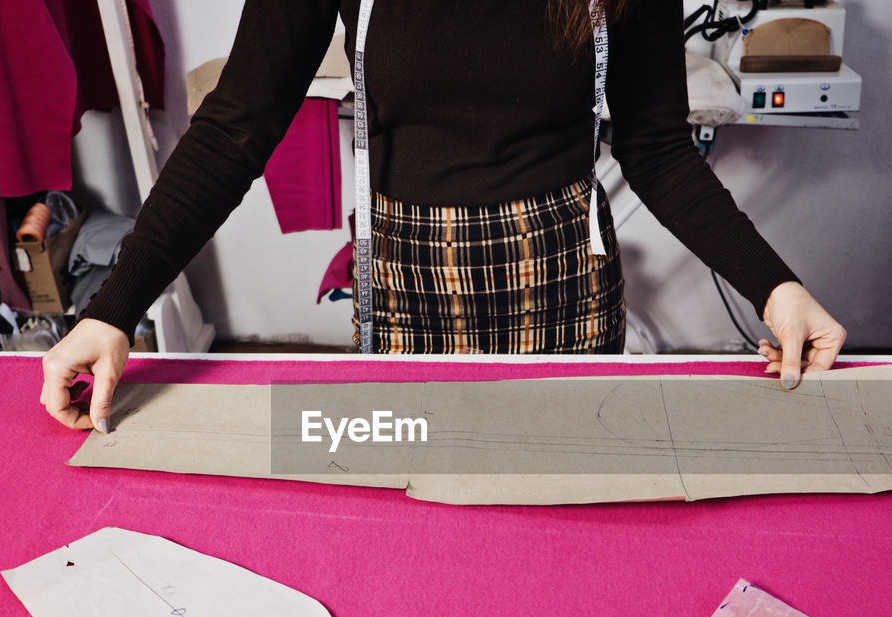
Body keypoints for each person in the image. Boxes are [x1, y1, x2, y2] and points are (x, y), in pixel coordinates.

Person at [41, 0, 846, 433]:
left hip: (561, 295)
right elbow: (233, 129)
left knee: (567, 540)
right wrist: (115, 308)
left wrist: (774, 288)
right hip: (408, 292)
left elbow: (657, 148)